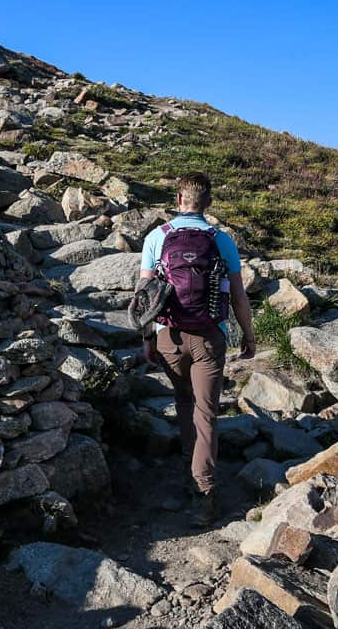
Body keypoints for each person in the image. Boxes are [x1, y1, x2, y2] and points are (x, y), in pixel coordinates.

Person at [139, 172, 256, 527]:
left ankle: (190, 471)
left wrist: (147, 338)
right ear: (207, 203)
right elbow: (238, 296)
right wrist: (248, 336)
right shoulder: (222, 240)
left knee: (184, 403)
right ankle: (203, 495)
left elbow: (144, 296)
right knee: (207, 413)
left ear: (179, 199)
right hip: (208, 335)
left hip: (168, 337)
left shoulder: (156, 238)